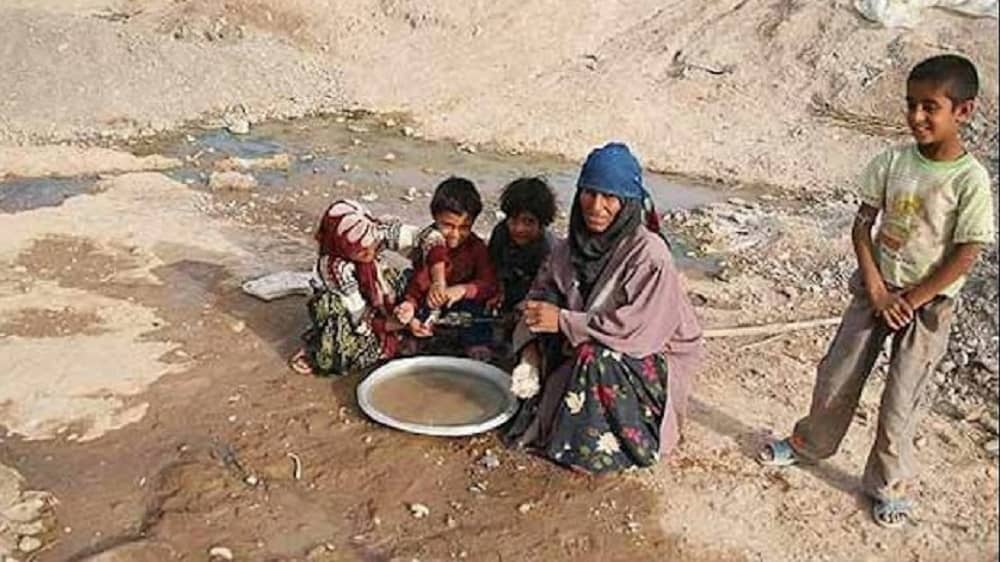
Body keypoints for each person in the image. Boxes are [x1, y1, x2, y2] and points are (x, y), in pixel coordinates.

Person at [757, 55, 995, 529]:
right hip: (876, 293)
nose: (916, 117)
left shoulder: (970, 180)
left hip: (928, 306)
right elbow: (863, 224)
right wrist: (875, 286)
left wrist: (914, 299)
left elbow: (967, 252)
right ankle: (809, 444)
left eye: (930, 107)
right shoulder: (891, 162)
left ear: (963, 112)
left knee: (902, 399)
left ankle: (888, 486)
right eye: (910, 105)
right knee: (836, 375)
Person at [504, 142, 703, 473]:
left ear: (627, 204)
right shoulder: (568, 250)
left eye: (609, 197)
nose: (596, 206)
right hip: (594, 338)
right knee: (530, 323)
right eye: (590, 193)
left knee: (597, 358)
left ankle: (616, 446)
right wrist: (537, 332)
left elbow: (638, 334)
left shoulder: (648, 255)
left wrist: (565, 322)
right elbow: (543, 291)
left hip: (646, 355)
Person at [289, 199, 418, 376]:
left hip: (374, 304)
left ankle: (396, 333)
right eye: (359, 250)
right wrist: (394, 324)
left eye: (371, 246)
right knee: (338, 347)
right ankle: (318, 349)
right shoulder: (335, 269)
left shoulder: (372, 232)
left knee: (409, 279)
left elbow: (417, 239)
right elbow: (358, 317)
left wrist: (411, 304)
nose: (369, 252)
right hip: (351, 314)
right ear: (340, 245)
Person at [395, 177, 499, 359]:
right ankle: (416, 334)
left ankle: (476, 342)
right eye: (448, 226)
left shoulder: (476, 248)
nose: (455, 234)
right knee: (407, 285)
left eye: (465, 227)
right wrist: (410, 304)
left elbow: (488, 283)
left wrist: (461, 290)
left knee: (478, 310)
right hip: (431, 297)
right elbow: (419, 280)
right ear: (435, 217)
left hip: (462, 301)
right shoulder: (427, 243)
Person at [487, 176, 557, 318]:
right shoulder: (501, 233)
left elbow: (547, 289)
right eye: (513, 220)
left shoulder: (549, 249)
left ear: (543, 223)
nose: (519, 229)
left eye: (528, 222)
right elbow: (493, 266)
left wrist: (524, 306)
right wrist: (497, 291)